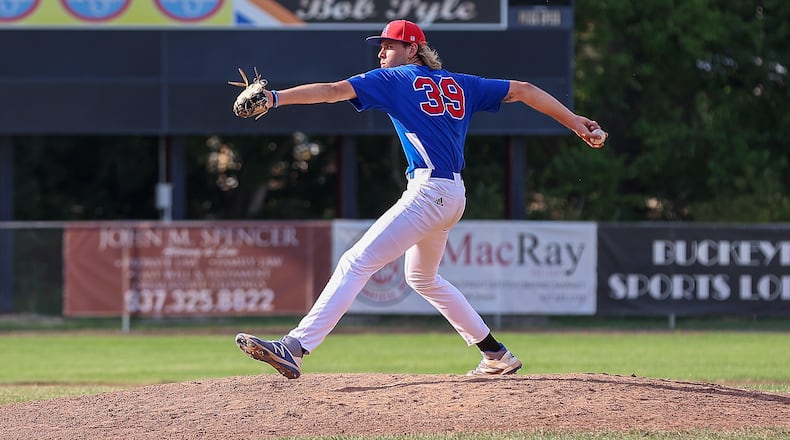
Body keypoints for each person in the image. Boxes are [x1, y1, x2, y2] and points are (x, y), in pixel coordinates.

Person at [235, 19, 606, 379]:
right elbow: (524, 89)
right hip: (452, 194)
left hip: (429, 193)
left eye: (389, 45)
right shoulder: (463, 84)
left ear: (413, 49)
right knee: (422, 277)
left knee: (356, 260)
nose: (381, 53)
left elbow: (334, 91)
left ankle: (295, 347)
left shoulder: (394, 79)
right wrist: (575, 122)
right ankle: (495, 355)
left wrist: (274, 98)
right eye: (380, 47)